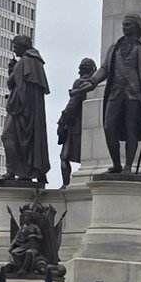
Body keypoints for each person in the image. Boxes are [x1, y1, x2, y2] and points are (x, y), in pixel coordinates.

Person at [86, 15, 141, 174]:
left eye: (128, 25)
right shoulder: (115, 47)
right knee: (108, 127)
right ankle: (116, 164)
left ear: (137, 27)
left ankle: (127, 167)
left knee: (131, 129)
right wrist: (92, 81)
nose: (124, 27)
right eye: (123, 24)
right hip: (115, 93)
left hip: (135, 94)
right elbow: (104, 69)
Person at [0, 35, 50, 185]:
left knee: (7, 136)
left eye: (15, 47)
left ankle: (12, 171)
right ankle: (23, 172)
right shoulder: (35, 62)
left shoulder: (24, 62)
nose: (14, 50)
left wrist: (12, 71)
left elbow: (14, 84)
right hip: (29, 110)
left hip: (19, 109)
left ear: (23, 46)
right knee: (22, 142)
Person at [56, 57, 97, 187]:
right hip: (92, 126)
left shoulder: (79, 83)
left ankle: (65, 185)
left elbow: (72, 105)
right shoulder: (97, 84)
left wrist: (63, 120)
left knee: (65, 157)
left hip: (75, 126)